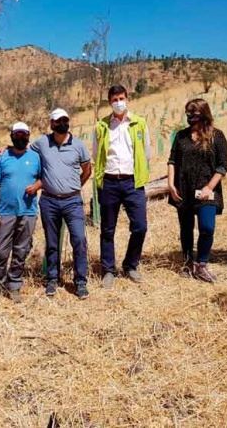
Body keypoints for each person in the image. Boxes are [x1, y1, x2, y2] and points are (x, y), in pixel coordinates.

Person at [93, 85, 150, 289]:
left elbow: (146, 152)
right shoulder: (102, 126)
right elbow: (96, 155)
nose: (119, 102)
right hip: (109, 182)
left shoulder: (139, 123)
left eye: (121, 98)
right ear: (110, 102)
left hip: (132, 182)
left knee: (140, 226)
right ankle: (108, 270)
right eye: (115, 99)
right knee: (107, 229)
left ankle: (130, 265)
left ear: (128, 99)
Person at [32, 108, 92, 299]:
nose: (62, 124)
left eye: (65, 120)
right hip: (49, 201)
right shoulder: (42, 143)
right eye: (58, 121)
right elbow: (24, 150)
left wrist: (75, 186)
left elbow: (87, 169)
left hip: (73, 201)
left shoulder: (79, 145)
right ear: (52, 124)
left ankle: (80, 282)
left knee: (79, 241)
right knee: (51, 242)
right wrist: (5, 149)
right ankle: (52, 279)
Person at [168, 99, 227, 282]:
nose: (190, 117)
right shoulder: (181, 136)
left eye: (194, 113)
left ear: (204, 114)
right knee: (186, 228)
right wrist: (171, 185)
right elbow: (172, 161)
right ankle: (187, 264)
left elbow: (222, 166)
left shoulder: (216, 136)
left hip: (207, 190)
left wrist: (209, 186)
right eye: (188, 113)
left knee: (207, 227)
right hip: (183, 189)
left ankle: (201, 264)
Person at [0, 122, 43, 306]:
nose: (20, 137)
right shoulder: (1, 157)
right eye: (16, 134)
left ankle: (14, 286)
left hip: (28, 212)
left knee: (21, 251)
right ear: (11, 136)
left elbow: (45, 177)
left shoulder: (36, 157)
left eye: (23, 134)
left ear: (28, 136)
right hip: (5, 212)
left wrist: (37, 186)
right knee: (1, 251)